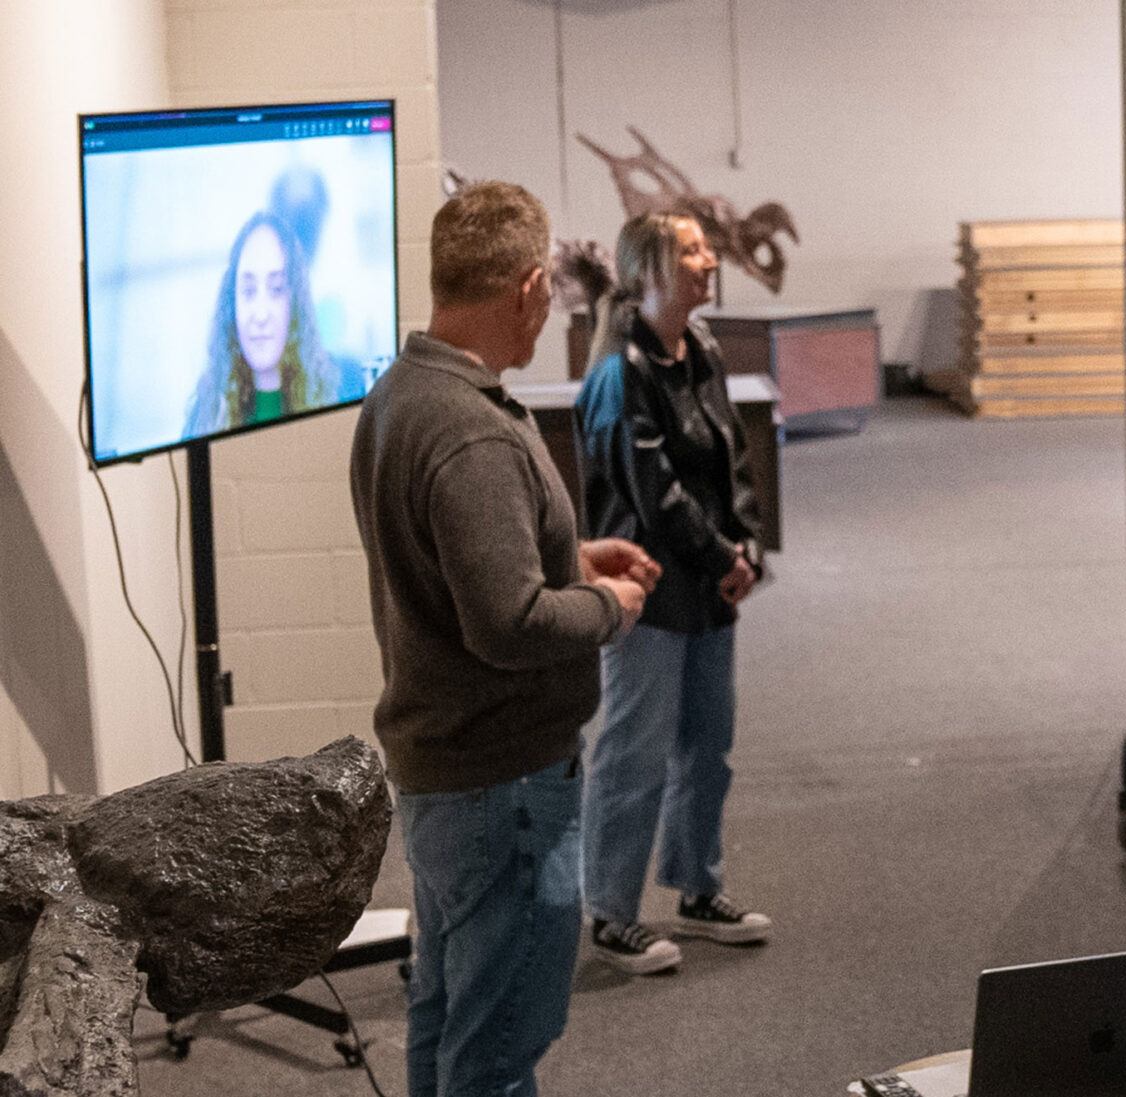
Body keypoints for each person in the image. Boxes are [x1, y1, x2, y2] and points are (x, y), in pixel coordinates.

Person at [349, 181, 657, 1096]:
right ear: (527, 288)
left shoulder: (403, 393)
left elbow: (457, 569)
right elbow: (509, 622)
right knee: (496, 1045)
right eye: (549, 297)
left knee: (447, 1019)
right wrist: (610, 607)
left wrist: (568, 551)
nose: (548, 316)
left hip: (449, 778)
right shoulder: (470, 428)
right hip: (504, 786)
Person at [572, 212, 771, 975]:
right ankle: (612, 913)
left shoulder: (704, 350)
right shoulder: (620, 373)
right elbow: (655, 493)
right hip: (649, 593)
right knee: (635, 754)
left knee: (707, 746)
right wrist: (724, 552)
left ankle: (696, 888)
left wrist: (745, 545)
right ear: (649, 271)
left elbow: (733, 461)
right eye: (691, 250)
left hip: (713, 584)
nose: (708, 258)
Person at [185, 210, 356, 435]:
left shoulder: (341, 390)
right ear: (232, 303)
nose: (261, 314)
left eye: (276, 290)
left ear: (295, 304)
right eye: (248, 291)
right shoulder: (207, 410)